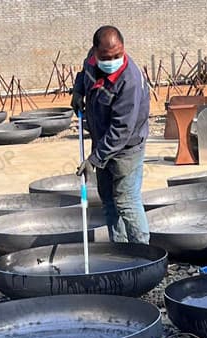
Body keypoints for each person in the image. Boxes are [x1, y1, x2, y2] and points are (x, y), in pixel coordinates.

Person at [72, 25, 150, 244]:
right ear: (95, 52)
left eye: (118, 55)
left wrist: (95, 159)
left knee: (125, 199)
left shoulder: (129, 81)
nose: (113, 60)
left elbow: (121, 129)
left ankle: (143, 252)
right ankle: (120, 249)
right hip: (101, 139)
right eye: (107, 57)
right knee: (108, 200)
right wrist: (78, 90)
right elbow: (83, 74)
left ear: (123, 48)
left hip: (127, 148)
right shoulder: (92, 60)